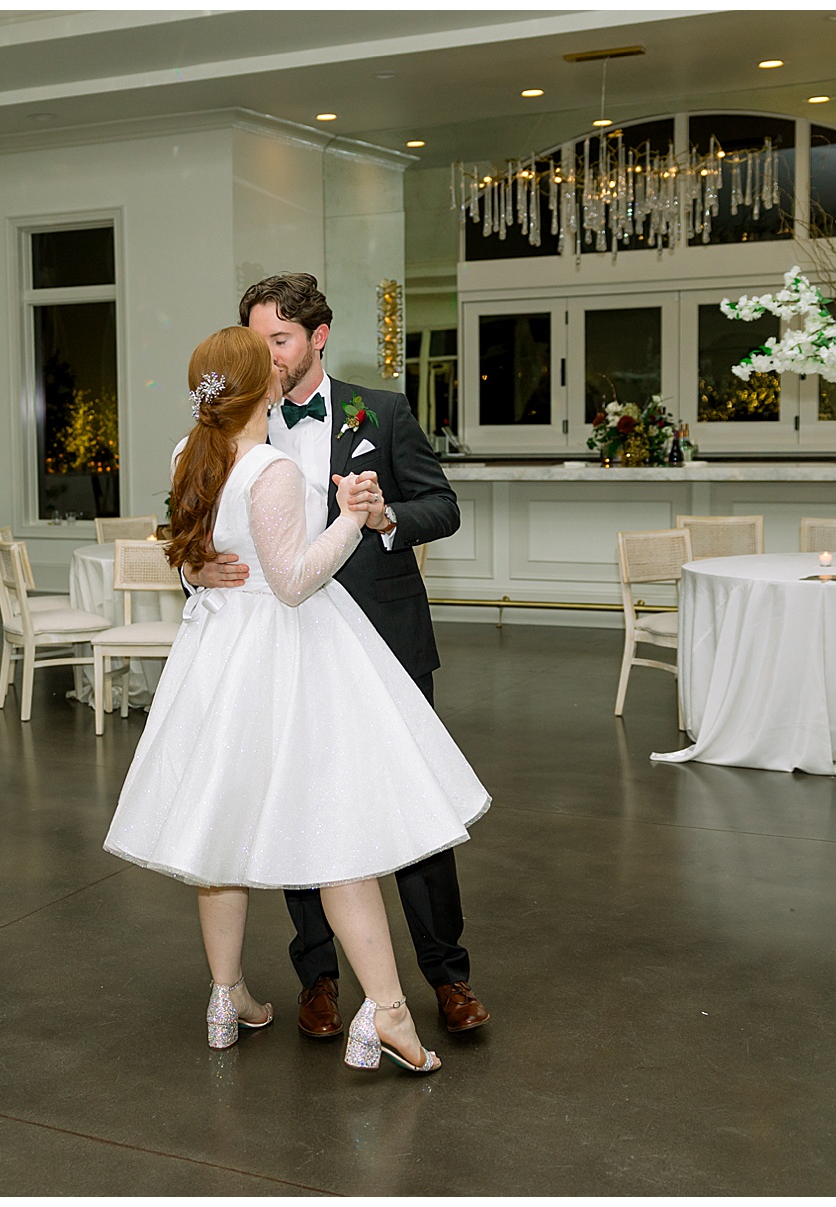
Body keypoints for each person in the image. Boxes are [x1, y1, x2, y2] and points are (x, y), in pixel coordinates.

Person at [104, 327, 489, 1076]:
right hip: (288, 656)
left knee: (221, 833)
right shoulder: (271, 466)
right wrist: (350, 517)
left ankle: (226, 997)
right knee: (335, 826)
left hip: (217, 656)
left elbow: (200, 544)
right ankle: (387, 1012)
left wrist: (197, 570)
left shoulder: (189, 454)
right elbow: (291, 582)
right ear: (263, 385)